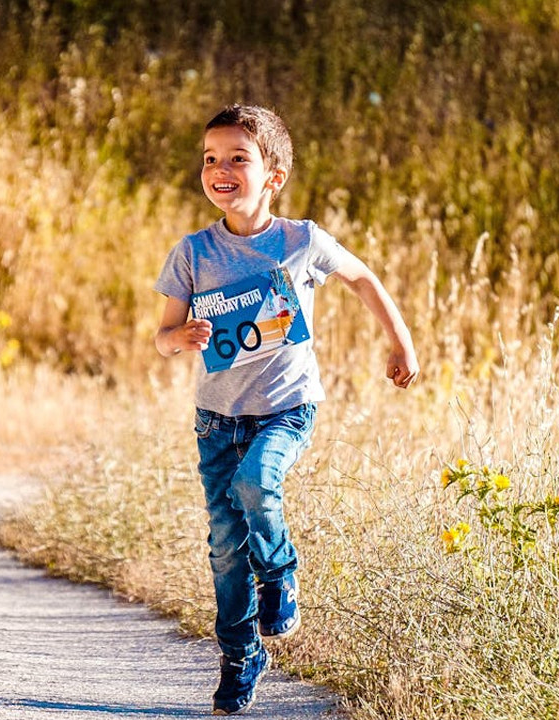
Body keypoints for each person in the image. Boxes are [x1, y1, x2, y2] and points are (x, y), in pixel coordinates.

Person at [153, 104, 418, 715]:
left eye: (237, 159)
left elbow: (362, 279)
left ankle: (280, 573)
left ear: (272, 174)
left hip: (286, 410)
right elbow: (163, 335)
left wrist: (400, 340)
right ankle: (241, 655)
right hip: (216, 420)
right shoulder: (192, 253)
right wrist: (181, 338)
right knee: (223, 545)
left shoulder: (301, 240)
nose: (220, 169)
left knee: (257, 483)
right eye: (210, 159)